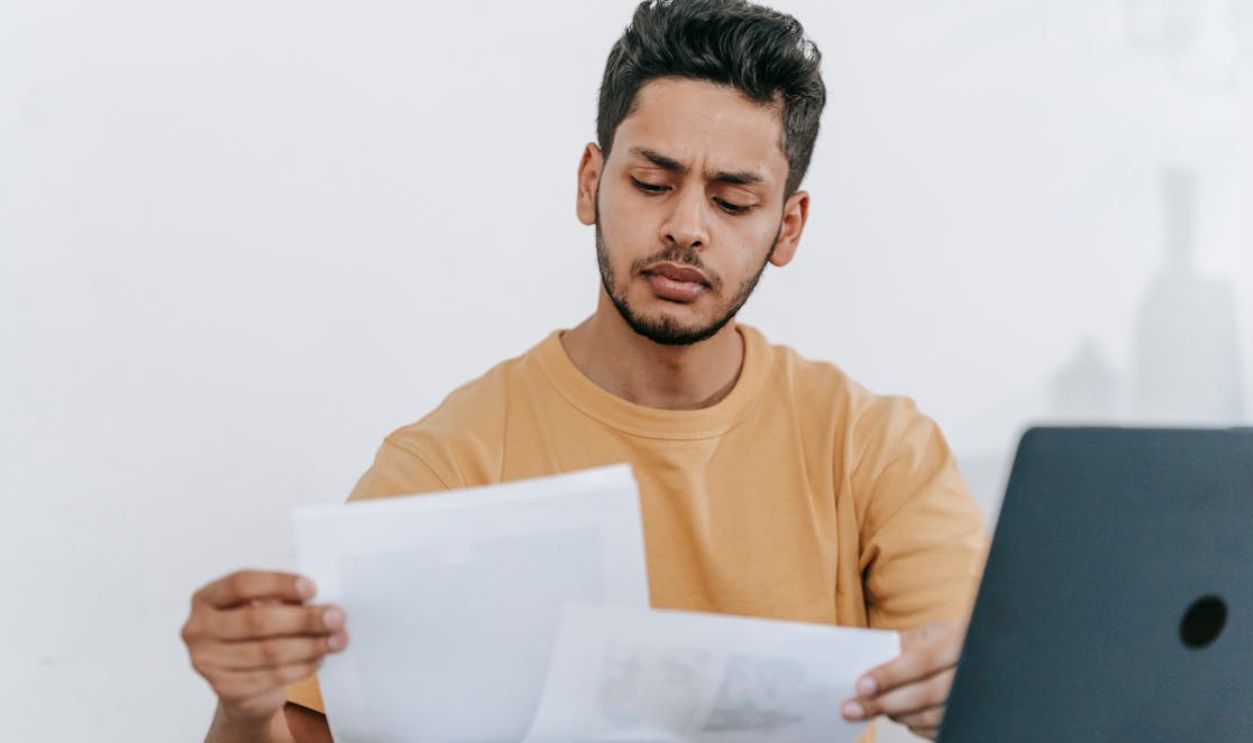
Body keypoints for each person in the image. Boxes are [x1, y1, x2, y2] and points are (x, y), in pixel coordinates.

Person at [180, 1, 988, 741]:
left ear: (788, 226)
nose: (685, 228)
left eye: (733, 201)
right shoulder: (452, 461)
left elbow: (1011, 704)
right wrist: (242, 707)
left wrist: (984, 690)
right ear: (590, 182)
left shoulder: (874, 448)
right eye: (650, 182)